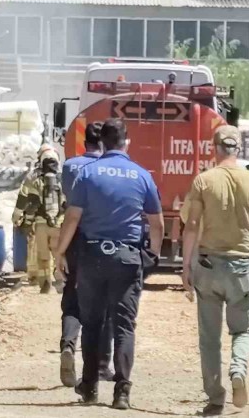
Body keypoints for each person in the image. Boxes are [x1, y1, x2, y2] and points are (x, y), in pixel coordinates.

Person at [55, 118, 164, 410]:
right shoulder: (142, 175)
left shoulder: (87, 174)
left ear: (102, 142)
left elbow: (73, 217)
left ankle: (90, 386)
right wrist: (152, 256)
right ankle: (122, 392)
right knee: (124, 326)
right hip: (127, 257)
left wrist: (60, 253)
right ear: (126, 142)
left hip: (92, 256)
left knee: (92, 323)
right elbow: (157, 224)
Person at [181, 125, 249, 417]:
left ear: (214, 148)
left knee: (209, 337)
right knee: (243, 330)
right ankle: (238, 369)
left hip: (208, 265)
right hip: (242, 267)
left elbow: (192, 225)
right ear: (239, 149)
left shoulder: (204, 180)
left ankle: (215, 398)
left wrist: (186, 266)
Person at [58, 122, 114, 387]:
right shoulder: (107, 169)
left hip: (73, 237)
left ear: (84, 142)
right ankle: (101, 364)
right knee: (104, 302)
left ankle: (68, 345)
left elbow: (68, 200)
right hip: (101, 239)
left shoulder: (70, 166)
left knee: (72, 298)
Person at [12, 144, 65, 294]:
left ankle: (45, 284)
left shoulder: (33, 176)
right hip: (59, 224)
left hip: (41, 224)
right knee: (59, 253)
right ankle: (61, 281)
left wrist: (18, 217)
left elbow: (26, 199)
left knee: (43, 256)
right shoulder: (64, 176)